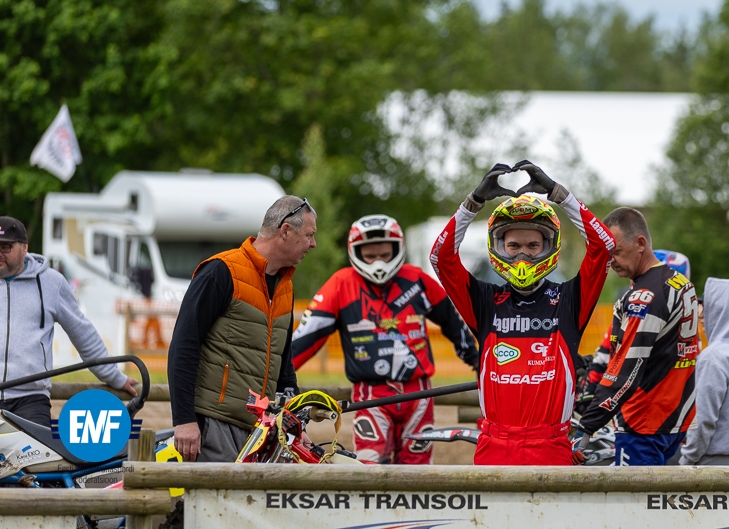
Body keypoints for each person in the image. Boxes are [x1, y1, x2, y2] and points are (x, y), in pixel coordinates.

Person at [430, 161, 615, 465]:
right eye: (513, 245)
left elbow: (604, 246)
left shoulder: (569, 300)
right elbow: (441, 257)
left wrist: (560, 195)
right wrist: (472, 203)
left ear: (549, 246)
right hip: (494, 446)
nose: (523, 255)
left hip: (551, 447)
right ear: (498, 246)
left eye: (533, 245)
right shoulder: (484, 301)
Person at [290, 214, 478, 464]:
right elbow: (307, 335)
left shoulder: (417, 279)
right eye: (370, 255)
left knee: (418, 467)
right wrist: (280, 375)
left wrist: (477, 361)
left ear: (398, 249)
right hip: (371, 393)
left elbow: (452, 322)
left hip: (419, 392)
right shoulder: (341, 284)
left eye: (385, 253)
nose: (378, 261)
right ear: (355, 251)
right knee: (369, 462)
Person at [168, 196, 317, 462]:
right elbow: (184, 345)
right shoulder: (220, 271)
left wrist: (297, 426)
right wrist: (184, 420)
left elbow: (284, 369)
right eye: (309, 235)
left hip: (260, 431)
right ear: (285, 230)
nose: (313, 244)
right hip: (214, 427)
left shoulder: (286, 286)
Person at [577, 207, 699, 466]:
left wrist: (586, 428)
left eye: (616, 252)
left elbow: (626, 371)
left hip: (643, 422)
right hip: (677, 417)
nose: (610, 261)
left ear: (640, 244)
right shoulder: (681, 283)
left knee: (631, 494)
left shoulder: (644, 297)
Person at [0, 216, 138, 425]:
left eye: (6, 247)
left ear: (24, 248)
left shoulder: (51, 283)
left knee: (37, 448)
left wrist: (115, 377)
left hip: (30, 400)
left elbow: (83, 334)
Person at [577, 250, 691, 414]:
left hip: (665, 410)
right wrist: (589, 391)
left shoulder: (688, 321)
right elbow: (603, 358)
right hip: (634, 411)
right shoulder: (627, 317)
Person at [679, 278, 729, 466]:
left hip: (713, 463)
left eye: (708, 308)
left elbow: (703, 420)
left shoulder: (713, 356)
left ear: (722, 311)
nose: (701, 315)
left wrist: (687, 460)